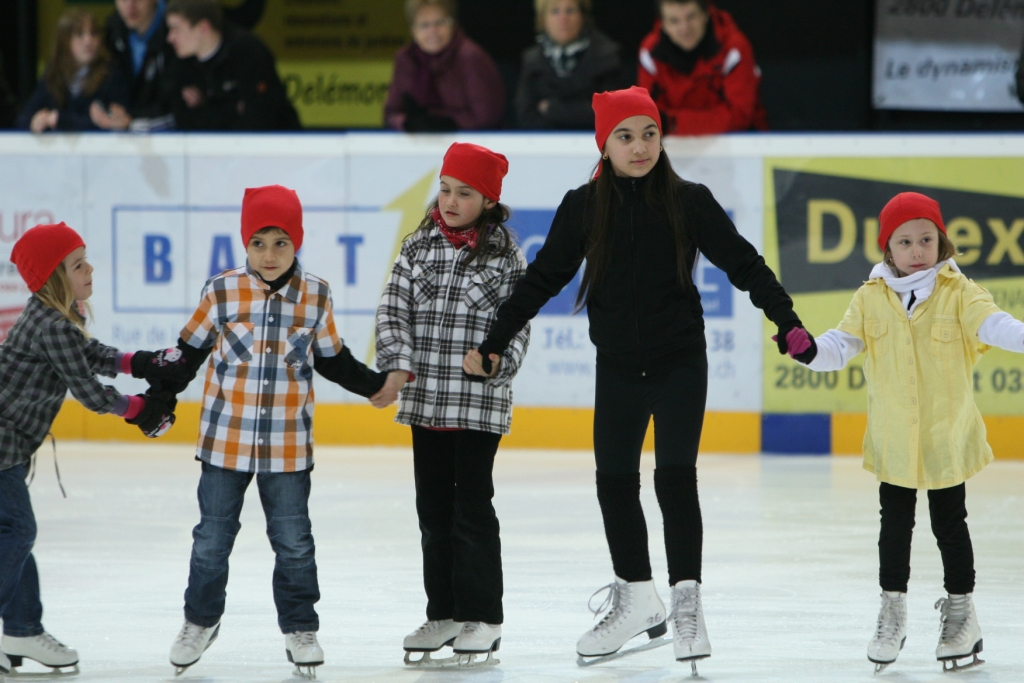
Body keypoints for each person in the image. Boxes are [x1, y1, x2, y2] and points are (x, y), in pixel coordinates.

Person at [466, 86, 806, 670]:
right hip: (619, 367)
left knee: (675, 480)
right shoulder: (583, 206)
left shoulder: (688, 200)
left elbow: (744, 263)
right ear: (604, 144)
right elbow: (543, 279)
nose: (640, 146)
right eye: (625, 136)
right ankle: (638, 597)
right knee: (615, 484)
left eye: (649, 133)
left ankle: (687, 605)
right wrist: (494, 343)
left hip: (680, 362)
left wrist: (788, 321)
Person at [131, 185, 386, 677]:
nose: (269, 255)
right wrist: (158, 399)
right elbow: (187, 355)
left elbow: (333, 360)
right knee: (212, 538)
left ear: (297, 243)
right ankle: (200, 621)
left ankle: (300, 627)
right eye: (258, 243)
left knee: (294, 541)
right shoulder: (221, 291)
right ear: (245, 243)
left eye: (281, 243)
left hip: (288, 445)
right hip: (225, 440)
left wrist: (375, 386)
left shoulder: (315, 295)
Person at [793, 192, 1022, 673]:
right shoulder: (870, 297)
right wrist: (809, 350)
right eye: (905, 241)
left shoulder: (960, 292)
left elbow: (995, 325)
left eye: (926, 239)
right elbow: (841, 345)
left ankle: (962, 613)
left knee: (949, 525)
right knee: (894, 527)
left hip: (945, 438)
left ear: (941, 242)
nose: (917, 250)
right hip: (894, 439)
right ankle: (892, 611)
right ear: (888, 247)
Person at [375, 143, 530, 665]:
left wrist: (496, 363)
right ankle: (443, 612)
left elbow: (517, 324)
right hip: (426, 403)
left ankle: (483, 616)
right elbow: (392, 310)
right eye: (445, 189)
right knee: (433, 512)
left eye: (465, 193)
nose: (450, 201)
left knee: (471, 511)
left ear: (488, 201)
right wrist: (397, 364)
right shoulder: (417, 246)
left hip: (477, 406)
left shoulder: (506, 256)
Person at [0, 223, 175, 677]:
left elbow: (89, 354)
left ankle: (21, 628)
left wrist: (140, 362)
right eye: (78, 265)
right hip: (2, 445)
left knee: (12, 536)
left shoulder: (54, 317)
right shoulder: (52, 326)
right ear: (55, 279)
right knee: (17, 532)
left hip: (9, 446)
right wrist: (140, 410)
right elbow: (91, 393)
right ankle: (19, 626)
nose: (90, 269)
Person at [165, 0, 300, 131]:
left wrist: (205, 107)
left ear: (203, 28)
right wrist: (233, 109)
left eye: (176, 30)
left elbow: (260, 115)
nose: (170, 38)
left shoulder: (247, 52)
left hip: (278, 141)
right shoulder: (180, 62)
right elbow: (183, 120)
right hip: (207, 144)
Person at [637, 0, 767, 135]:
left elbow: (739, 116)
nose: (684, 29)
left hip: (741, 141)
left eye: (691, 17)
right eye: (674, 21)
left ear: (706, 14)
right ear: (662, 23)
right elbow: (648, 115)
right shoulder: (650, 52)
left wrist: (672, 123)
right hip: (671, 142)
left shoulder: (734, 48)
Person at [384, 0, 505, 132]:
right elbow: (391, 114)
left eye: (440, 23)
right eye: (424, 25)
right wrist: (408, 123)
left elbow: (487, 117)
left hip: (469, 141)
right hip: (416, 142)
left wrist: (443, 123)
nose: (432, 31)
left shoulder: (470, 56)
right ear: (413, 30)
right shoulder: (406, 58)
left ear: (453, 25)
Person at [515, 0, 631, 130]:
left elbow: (611, 112)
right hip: (545, 140)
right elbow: (525, 115)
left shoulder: (607, 56)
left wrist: (551, 109)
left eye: (570, 10)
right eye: (555, 11)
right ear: (542, 19)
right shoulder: (531, 60)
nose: (563, 18)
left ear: (583, 16)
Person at [17, 9, 130, 133]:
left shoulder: (111, 74)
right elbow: (23, 118)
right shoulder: (53, 74)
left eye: (93, 33)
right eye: (80, 34)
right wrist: (34, 121)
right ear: (64, 41)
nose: (88, 41)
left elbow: (114, 121)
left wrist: (59, 119)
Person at [105, 0, 179, 131]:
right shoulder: (112, 30)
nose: (130, 6)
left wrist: (131, 120)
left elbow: (176, 107)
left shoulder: (178, 31)